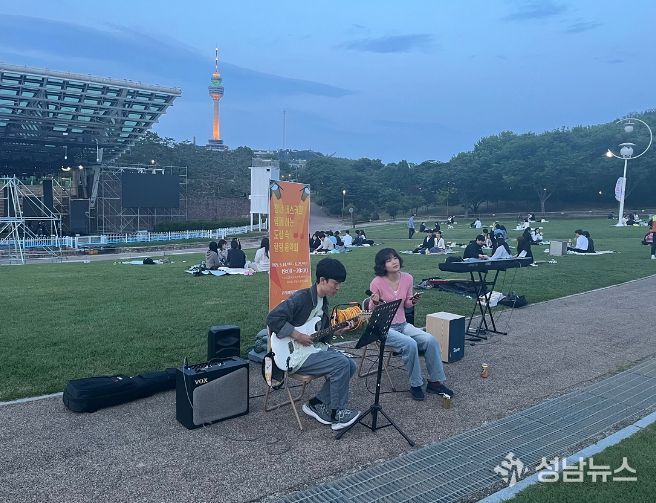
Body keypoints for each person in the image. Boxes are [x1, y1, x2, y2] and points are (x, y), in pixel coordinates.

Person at [267, 258, 361, 430]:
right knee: (341, 363)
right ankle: (338, 413)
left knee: (350, 365)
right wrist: (297, 335)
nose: (338, 288)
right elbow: (273, 318)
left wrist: (336, 331)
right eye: (335, 283)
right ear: (323, 280)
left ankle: (317, 403)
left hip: (309, 349)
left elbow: (318, 333)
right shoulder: (301, 298)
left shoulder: (322, 302)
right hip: (293, 355)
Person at [368, 248, 454, 401]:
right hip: (384, 328)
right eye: (388, 260)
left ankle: (435, 382)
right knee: (410, 343)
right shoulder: (377, 282)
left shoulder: (407, 278)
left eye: (395, 258)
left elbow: (407, 304)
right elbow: (371, 311)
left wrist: (412, 301)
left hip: (402, 324)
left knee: (431, 340)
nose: (394, 262)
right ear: (382, 265)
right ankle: (416, 384)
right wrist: (374, 302)